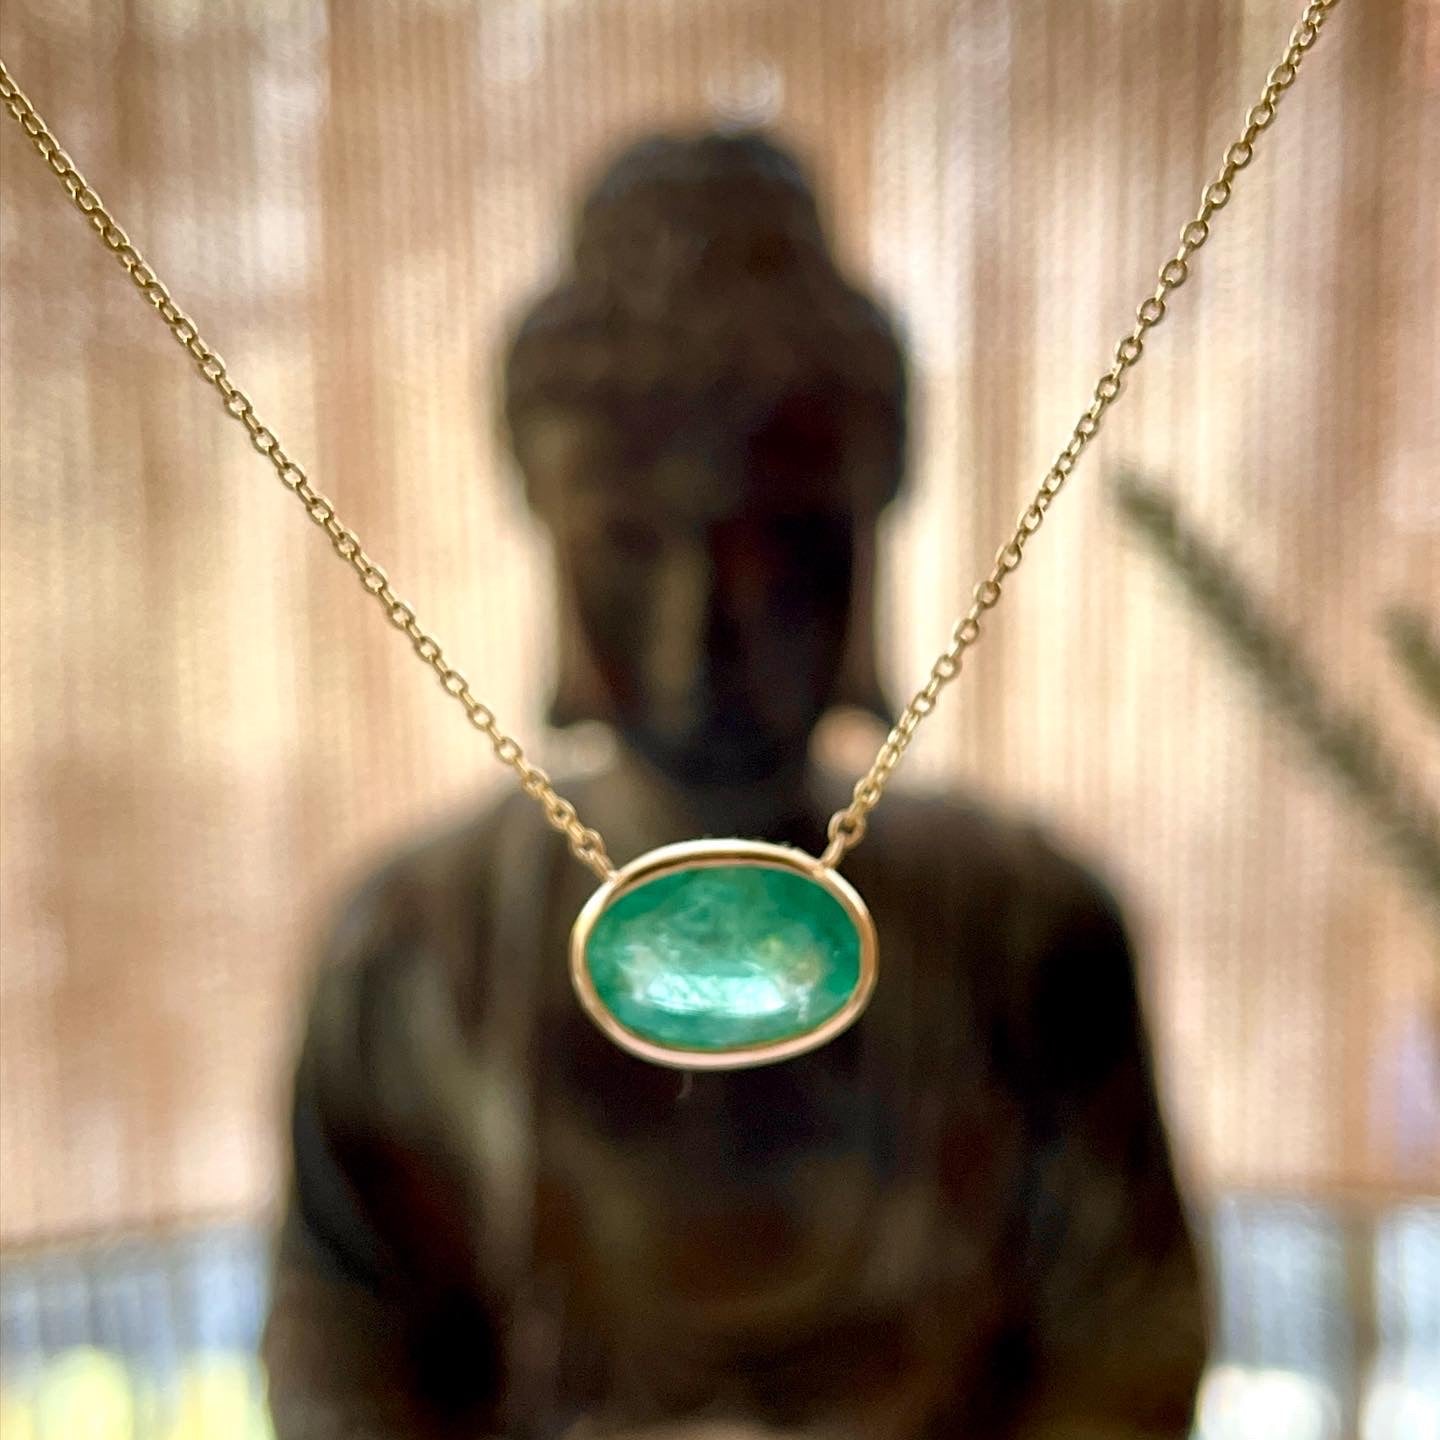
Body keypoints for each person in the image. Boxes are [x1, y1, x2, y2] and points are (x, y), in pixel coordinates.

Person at [263, 131, 1206, 1440]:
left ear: (871, 527)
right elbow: (341, 1367)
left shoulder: (1034, 934)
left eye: (790, 541)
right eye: (632, 544)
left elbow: (1131, 1359)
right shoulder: (409, 948)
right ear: (547, 522)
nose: (703, 626)